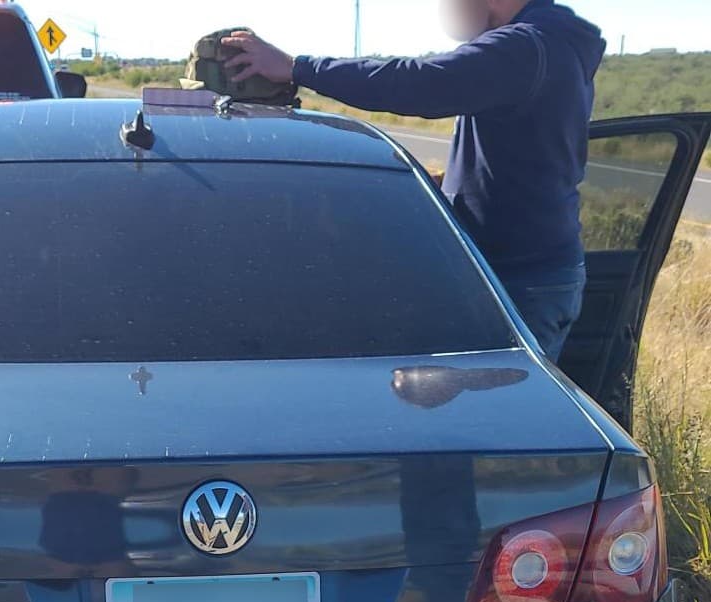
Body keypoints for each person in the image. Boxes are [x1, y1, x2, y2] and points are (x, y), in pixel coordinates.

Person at [221, 0, 607, 363]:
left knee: (506, 422)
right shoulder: (553, 42)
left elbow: (421, 83)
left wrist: (296, 67)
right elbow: (523, 153)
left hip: (519, 280)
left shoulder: (527, 45)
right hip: (533, 271)